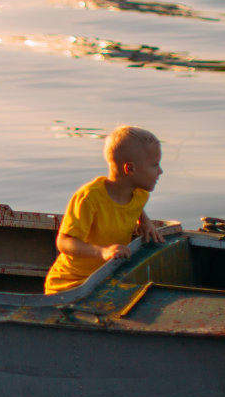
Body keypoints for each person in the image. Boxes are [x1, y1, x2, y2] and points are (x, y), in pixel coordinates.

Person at [43, 126, 165, 295]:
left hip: (104, 280)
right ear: (130, 169)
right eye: (155, 165)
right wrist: (103, 252)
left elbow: (133, 207)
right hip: (69, 286)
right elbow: (64, 242)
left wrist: (145, 221)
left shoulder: (139, 194)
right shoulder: (89, 198)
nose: (161, 171)